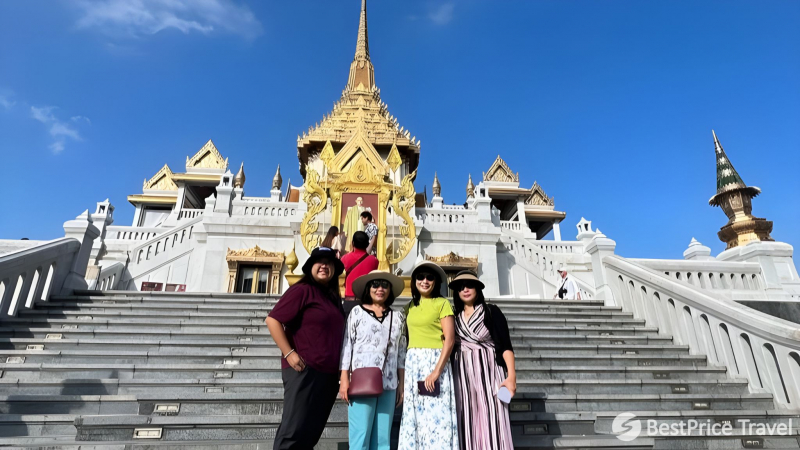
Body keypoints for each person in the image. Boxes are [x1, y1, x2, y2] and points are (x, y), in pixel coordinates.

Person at [265, 247, 345, 450]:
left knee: (310, 434)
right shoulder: (302, 290)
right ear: (310, 267)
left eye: (329, 263)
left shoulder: (333, 299)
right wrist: (289, 353)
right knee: (293, 432)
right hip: (304, 370)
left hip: (327, 376)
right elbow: (273, 320)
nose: (324, 266)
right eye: (319, 262)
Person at [339, 270, 407, 450]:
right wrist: (344, 378)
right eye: (375, 284)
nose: (380, 289)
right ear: (368, 288)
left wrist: (401, 384)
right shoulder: (357, 313)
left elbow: (400, 352)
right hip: (362, 381)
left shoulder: (398, 317)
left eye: (385, 285)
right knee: (360, 435)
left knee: (382, 438)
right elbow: (347, 345)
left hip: (389, 381)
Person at [449, 270, 516, 450]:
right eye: (460, 287)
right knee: (468, 415)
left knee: (493, 415)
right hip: (463, 373)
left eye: (469, 285)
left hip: (490, 370)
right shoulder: (454, 317)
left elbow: (505, 345)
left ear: (478, 288)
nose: (465, 289)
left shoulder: (491, 311)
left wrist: (511, 377)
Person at [398, 261, 459, 450]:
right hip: (413, 363)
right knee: (413, 415)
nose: (425, 281)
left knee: (437, 418)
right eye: (420, 277)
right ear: (414, 280)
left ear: (436, 282)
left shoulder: (442, 303)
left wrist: (436, 372)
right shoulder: (408, 307)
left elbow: (449, 340)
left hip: (435, 362)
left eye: (430, 277)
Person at [340, 231, 379, 317]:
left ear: (353, 243)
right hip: (367, 300)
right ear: (366, 244)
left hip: (350, 300)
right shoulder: (373, 260)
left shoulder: (345, 258)